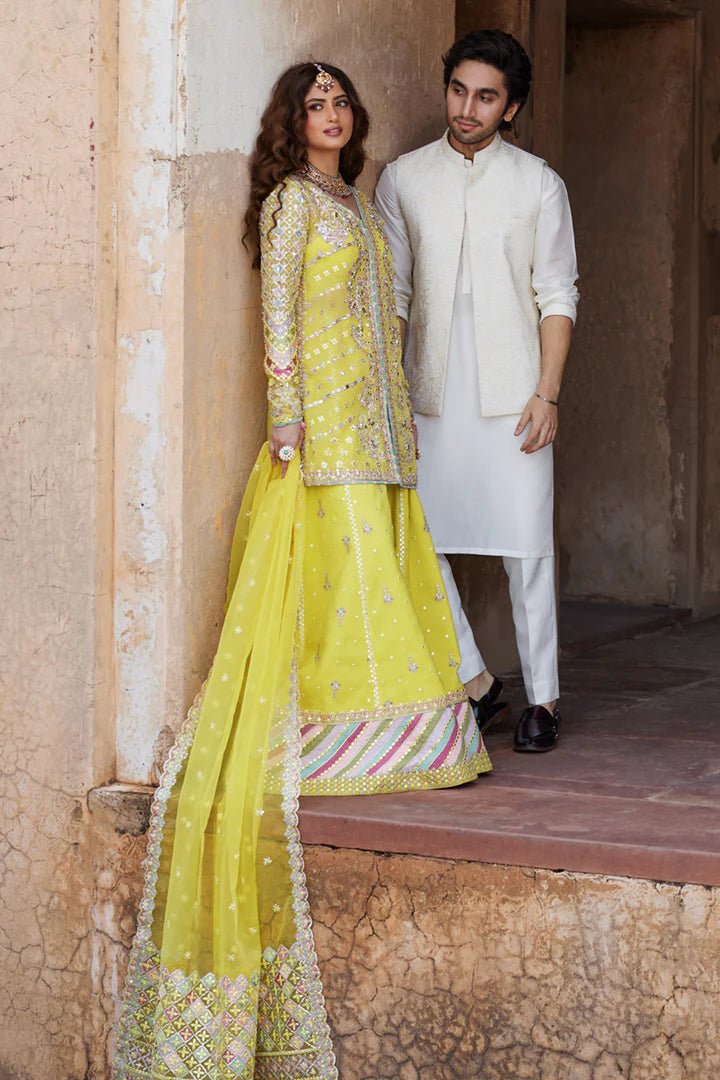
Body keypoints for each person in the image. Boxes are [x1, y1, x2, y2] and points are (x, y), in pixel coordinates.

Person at [112, 61, 490, 1080]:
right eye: (315, 105)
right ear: (294, 123)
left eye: (340, 103)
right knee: (338, 585)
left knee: (383, 575)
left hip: (376, 425)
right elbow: (276, 314)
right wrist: (286, 410)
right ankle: (336, 736)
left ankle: (400, 725)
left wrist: (397, 402)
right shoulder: (289, 205)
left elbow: (386, 314)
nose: (333, 115)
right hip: (316, 433)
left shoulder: (358, 204)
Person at [375, 29, 579, 754]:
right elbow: (391, 291)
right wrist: (388, 389)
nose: (467, 107)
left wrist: (548, 392)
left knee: (526, 544)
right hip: (427, 391)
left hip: (516, 393)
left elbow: (557, 294)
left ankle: (544, 699)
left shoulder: (538, 183)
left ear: (511, 106)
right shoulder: (402, 178)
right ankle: (478, 682)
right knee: (417, 536)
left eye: (486, 96)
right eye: (458, 90)